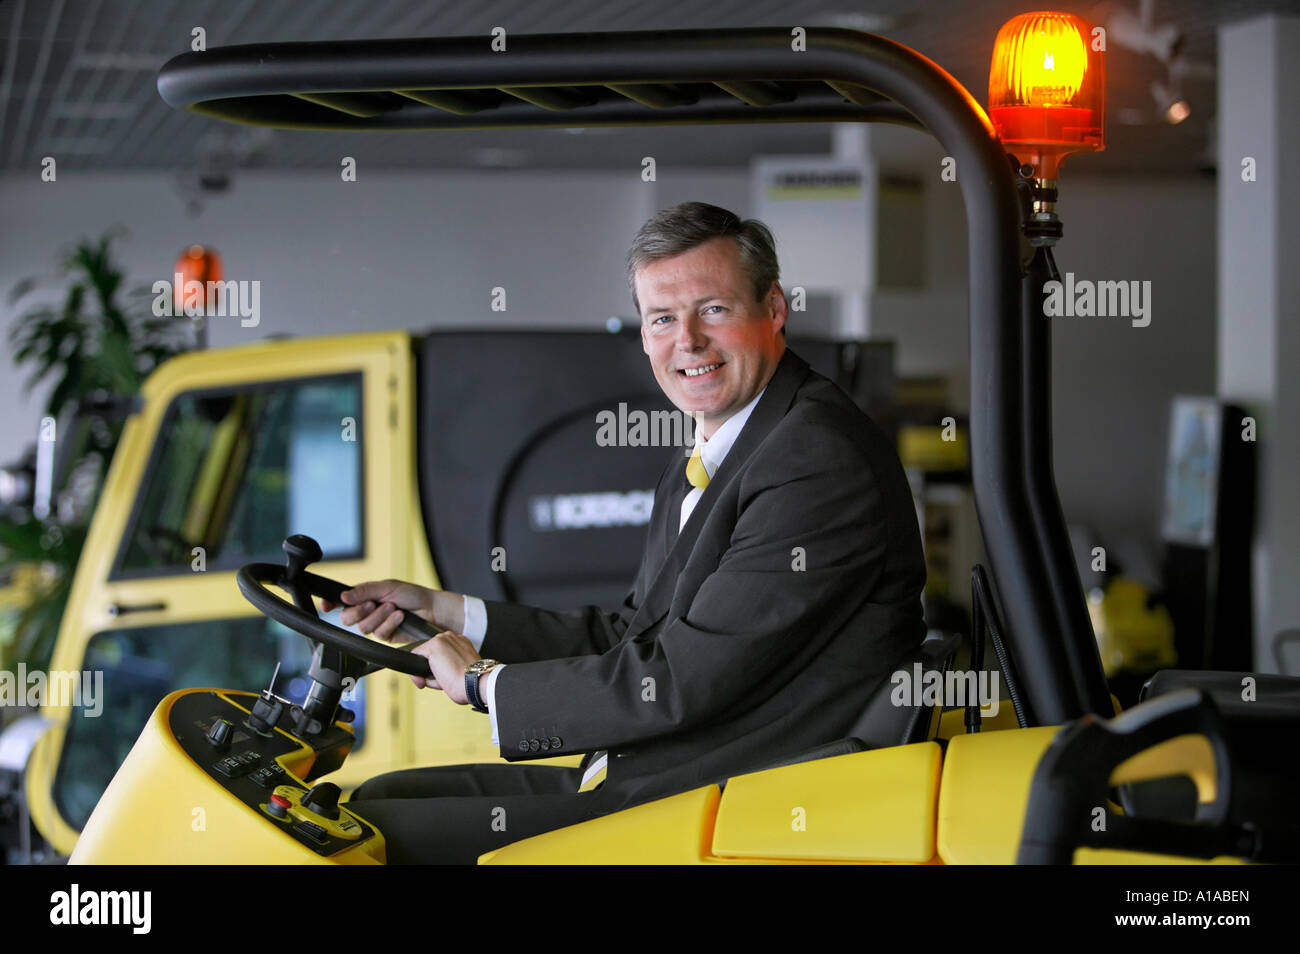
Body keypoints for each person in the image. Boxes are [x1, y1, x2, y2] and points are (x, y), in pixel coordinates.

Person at [337, 201, 927, 863]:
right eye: (664, 319)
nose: (689, 342)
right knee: (377, 797)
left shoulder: (812, 461)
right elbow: (636, 634)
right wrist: (451, 615)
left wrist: (483, 684)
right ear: (644, 335)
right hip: (664, 766)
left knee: (385, 839)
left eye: (714, 310)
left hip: (728, 793)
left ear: (774, 308)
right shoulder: (717, 451)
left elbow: (679, 681)